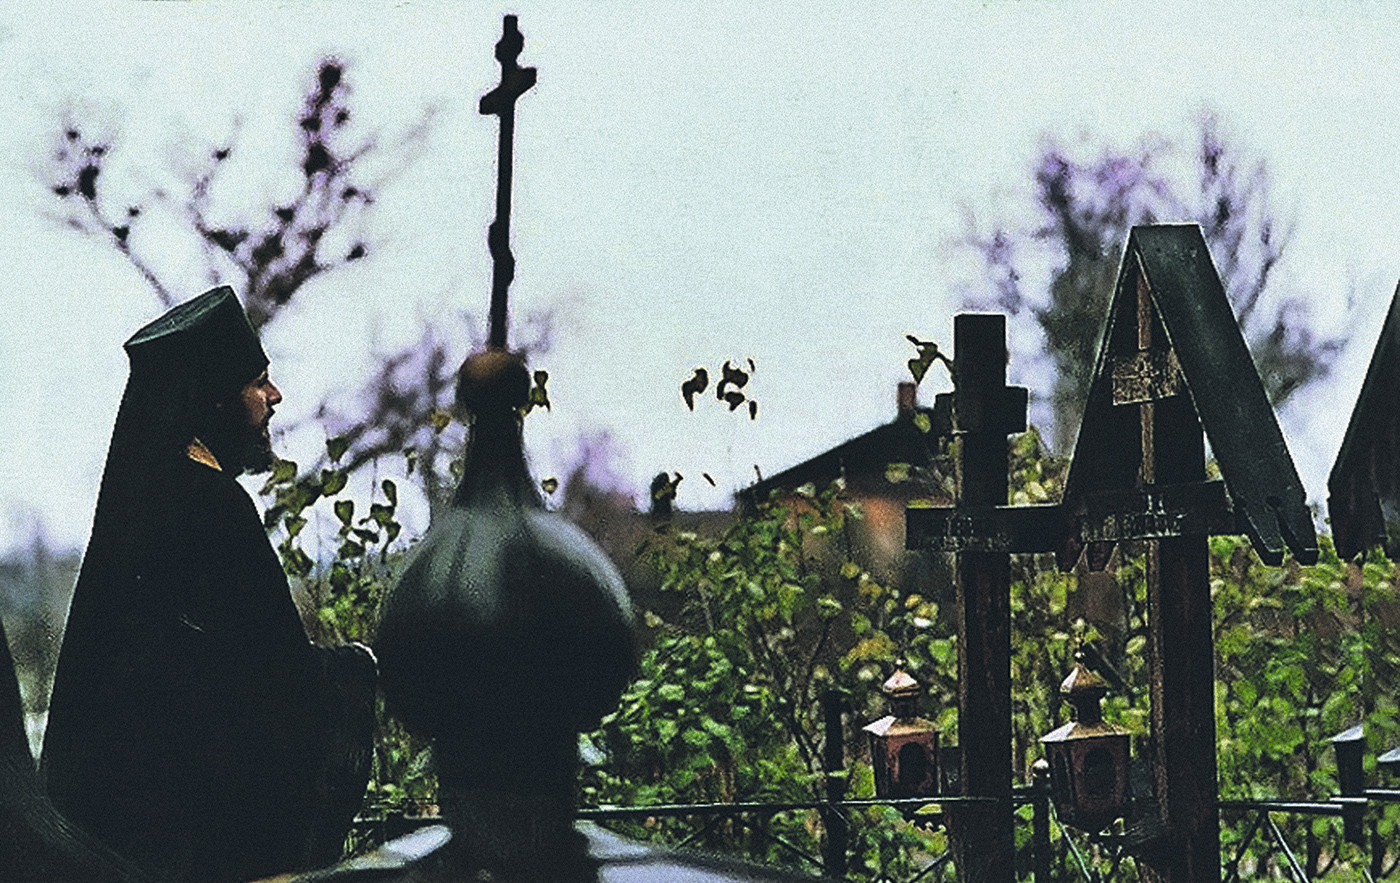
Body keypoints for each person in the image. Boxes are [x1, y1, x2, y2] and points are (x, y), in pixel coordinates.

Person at [41, 286, 376, 883]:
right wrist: (356, 670)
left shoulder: (147, 497)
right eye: (258, 382)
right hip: (192, 849)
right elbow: (271, 681)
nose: (275, 396)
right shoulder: (212, 507)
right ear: (215, 398)